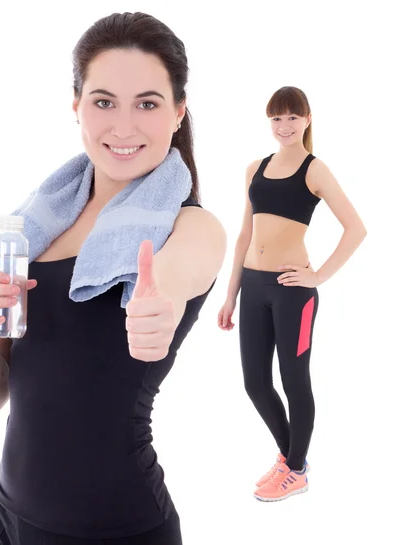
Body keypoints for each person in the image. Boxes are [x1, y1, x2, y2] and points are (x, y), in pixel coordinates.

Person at [0, 12, 226, 545]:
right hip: (9, 519)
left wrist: (161, 306)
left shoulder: (189, 226)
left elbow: (175, 276)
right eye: (104, 101)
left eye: (147, 104)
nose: (123, 126)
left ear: (178, 112)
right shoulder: (35, 225)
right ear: (77, 107)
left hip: (117, 529)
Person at [218, 86, 367, 502]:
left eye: (292, 117)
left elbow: (356, 228)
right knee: (255, 382)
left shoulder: (314, 169)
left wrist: (317, 277)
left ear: (307, 119)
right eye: (276, 118)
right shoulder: (255, 168)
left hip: (292, 292)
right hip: (252, 285)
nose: (284, 126)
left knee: (294, 381)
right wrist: (231, 294)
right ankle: (291, 458)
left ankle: (295, 469)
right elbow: (245, 233)